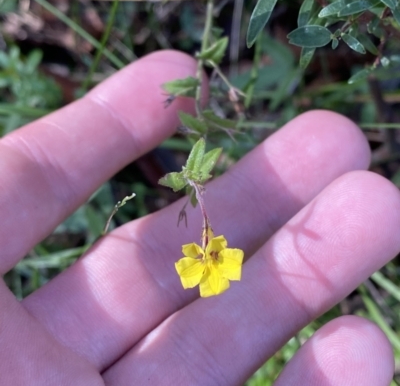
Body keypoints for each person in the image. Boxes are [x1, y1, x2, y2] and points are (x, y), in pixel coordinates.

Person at [0, 50, 398, 385]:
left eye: (209, 253)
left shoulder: (212, 252)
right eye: (209, 254)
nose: (209, 254)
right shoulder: (205, 253)